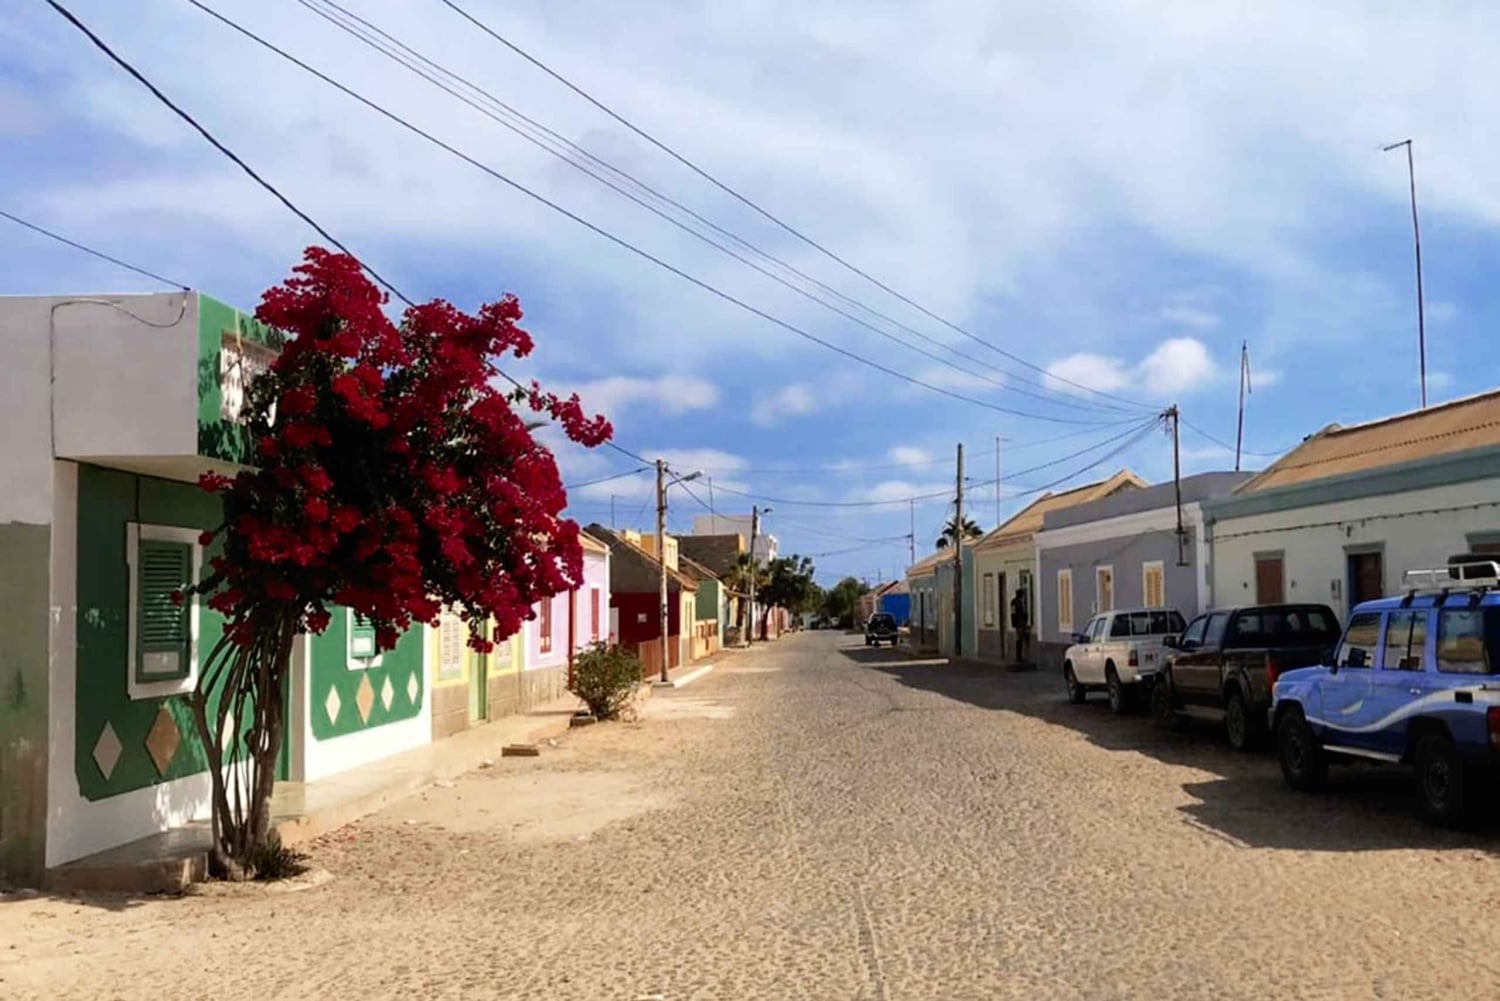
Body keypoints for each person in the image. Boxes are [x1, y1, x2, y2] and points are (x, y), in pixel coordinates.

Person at [1010, 586, 1031, 665]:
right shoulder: (1018, 603)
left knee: (1019, 638)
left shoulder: (1013, 602)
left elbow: (1013, 613)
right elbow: (1021, 613)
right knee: (1020, 639)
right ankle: (1019, 656)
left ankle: (1018, 656)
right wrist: (1024, 621)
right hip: (1020, 623)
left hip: (1016, 623)